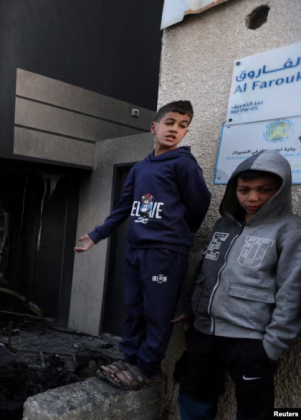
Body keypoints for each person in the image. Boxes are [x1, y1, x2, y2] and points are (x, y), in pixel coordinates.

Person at [74, 100, 211, 389]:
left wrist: (177, 235)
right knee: (134, 308)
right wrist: (96, 235)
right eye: (170, 122)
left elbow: (200, 205)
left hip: (165, 253)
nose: (175, 129)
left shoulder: (183, 164)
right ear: (154, 126)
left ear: (186, 132)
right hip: (135, 250)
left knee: (156, 312)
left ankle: (147, 368)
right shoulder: (139, 169)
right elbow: (123, 209)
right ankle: (130, 358)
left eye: (183, 126)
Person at [176, 150, 301, 420]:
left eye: (264, 190)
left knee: (254, 409)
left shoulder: (291, 230)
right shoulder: (224, 223)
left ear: (281, 190)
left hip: (250, 339)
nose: (252, 198)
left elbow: (292, 292)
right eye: (244, 190)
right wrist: (190, 308)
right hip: (203, 331)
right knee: (193, 395)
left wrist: (273, 347)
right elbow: (205, 267)